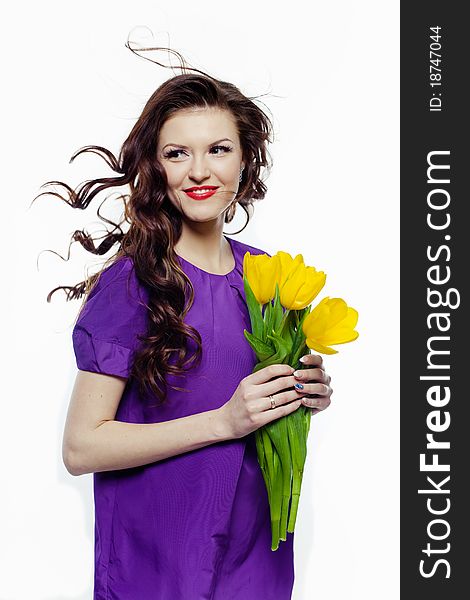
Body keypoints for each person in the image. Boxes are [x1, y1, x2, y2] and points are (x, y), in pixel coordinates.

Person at [53, 47, 333, 600]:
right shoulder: (132, 282)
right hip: (157, 564)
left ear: (245, 161)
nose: (200, 171)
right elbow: (81, 447)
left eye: (219, 150)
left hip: (256, 554)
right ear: (156, 167)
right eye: (177, 153)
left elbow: (262, 406)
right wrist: (224, 421)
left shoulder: (269, 277)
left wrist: (301, 394)